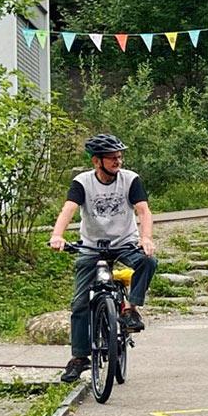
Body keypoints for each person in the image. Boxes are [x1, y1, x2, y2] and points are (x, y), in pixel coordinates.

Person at [49, 134, 158, 383]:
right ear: (97, 161)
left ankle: (131, 309)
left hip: (125, 243)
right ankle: (79, 358)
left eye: (119, 156)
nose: (117, 161)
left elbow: (143, 210)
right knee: (79, 303)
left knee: (148, 261)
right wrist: (57, 235)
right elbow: (69, 209)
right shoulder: (83, 182)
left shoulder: (130, 179)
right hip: (91, 246)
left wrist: (146, 238)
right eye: (112, 158)